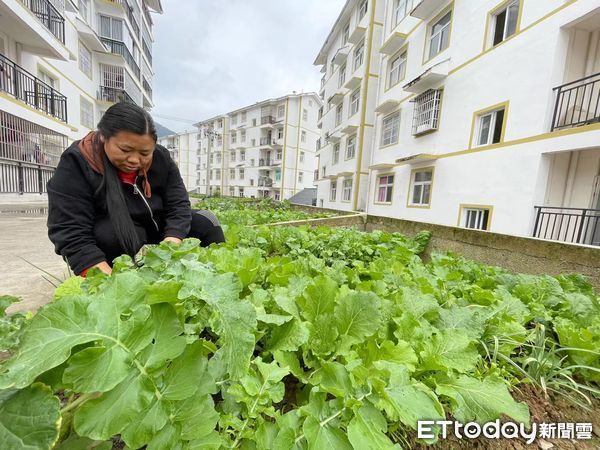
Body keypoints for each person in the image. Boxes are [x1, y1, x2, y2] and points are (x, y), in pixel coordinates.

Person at [47, 102, 225, 276]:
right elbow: (69, 230)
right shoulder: (77, 162)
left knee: (205, 221)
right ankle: (123, 277)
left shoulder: (161, 157)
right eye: (125, 149)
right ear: (103, 137)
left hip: (157, 233)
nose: (134, 160)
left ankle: (212, 279)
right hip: (118, 240)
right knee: (108, 235)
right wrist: (111, 285)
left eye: (145, 153)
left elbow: (178, 204)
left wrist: (170, 245)